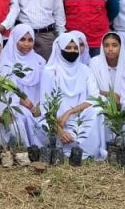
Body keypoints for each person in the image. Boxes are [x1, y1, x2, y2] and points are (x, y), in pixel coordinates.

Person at [38, 33, 106, 161]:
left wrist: (70, 112)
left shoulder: (85, 70)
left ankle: (84, 148)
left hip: (79, 117)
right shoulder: (49, 71)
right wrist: (59, 130)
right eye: (68, 48)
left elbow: (94, 97)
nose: (72, 51)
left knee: (98, 107)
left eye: (75, 48)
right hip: (56, 121)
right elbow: (45, 107)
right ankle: (65, 145)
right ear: (60, 49)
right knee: (44, 126)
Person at [0, 24, 48, 147]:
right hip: (15, 104)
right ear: (14, 39)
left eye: (30, 40)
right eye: (22, 39)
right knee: (22, 116)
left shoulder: (40, 61)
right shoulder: (5, 61)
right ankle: (25, 148)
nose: (26, 44)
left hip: (38, 105)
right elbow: (4, 90)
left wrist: (40, 105)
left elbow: (46, 87)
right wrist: (20, 101)